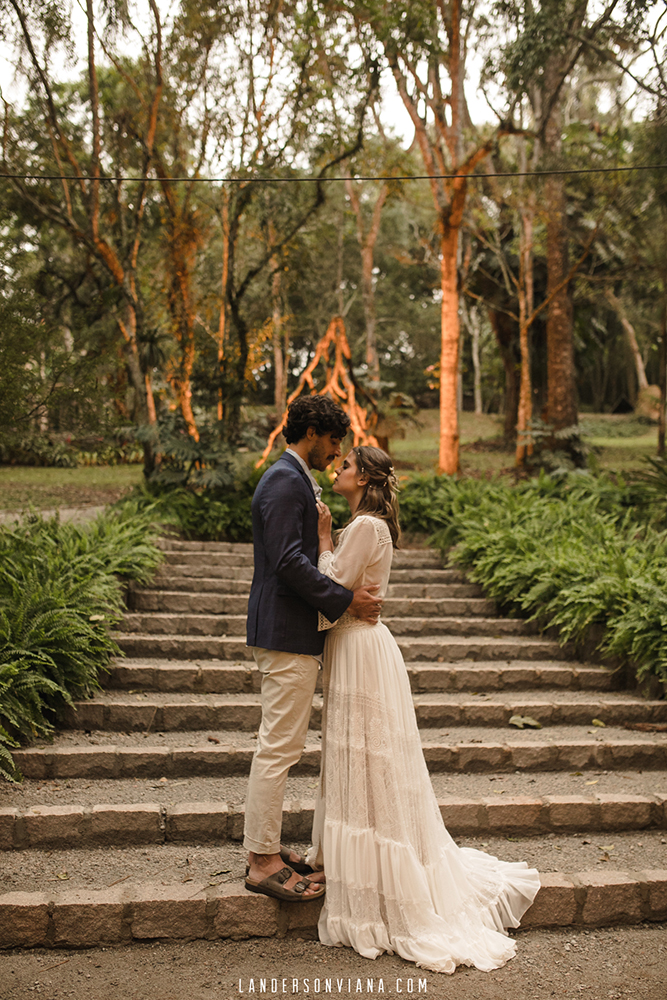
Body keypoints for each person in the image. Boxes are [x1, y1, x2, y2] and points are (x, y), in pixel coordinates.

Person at [307, 444, 541, 973]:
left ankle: (380, 878)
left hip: (360, 648)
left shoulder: (365, 526)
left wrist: (322, 539)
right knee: (361, 756)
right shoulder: (366, 526)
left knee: (370, 758)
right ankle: (352, 864)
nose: (338, 470)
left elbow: (332, 584)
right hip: (354, 645)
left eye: (346, 466)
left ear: (364, 478)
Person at [244, 396, 382, 903]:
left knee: (281, 745)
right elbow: (287, 561)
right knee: (279, 748)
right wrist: (346, 600)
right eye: (333, 440)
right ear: (310, 433)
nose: (337, 451)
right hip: (286, 632)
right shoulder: (285, 481)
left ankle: (268, 849)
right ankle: (262, 862)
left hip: (290, 632)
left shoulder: (293, 478)